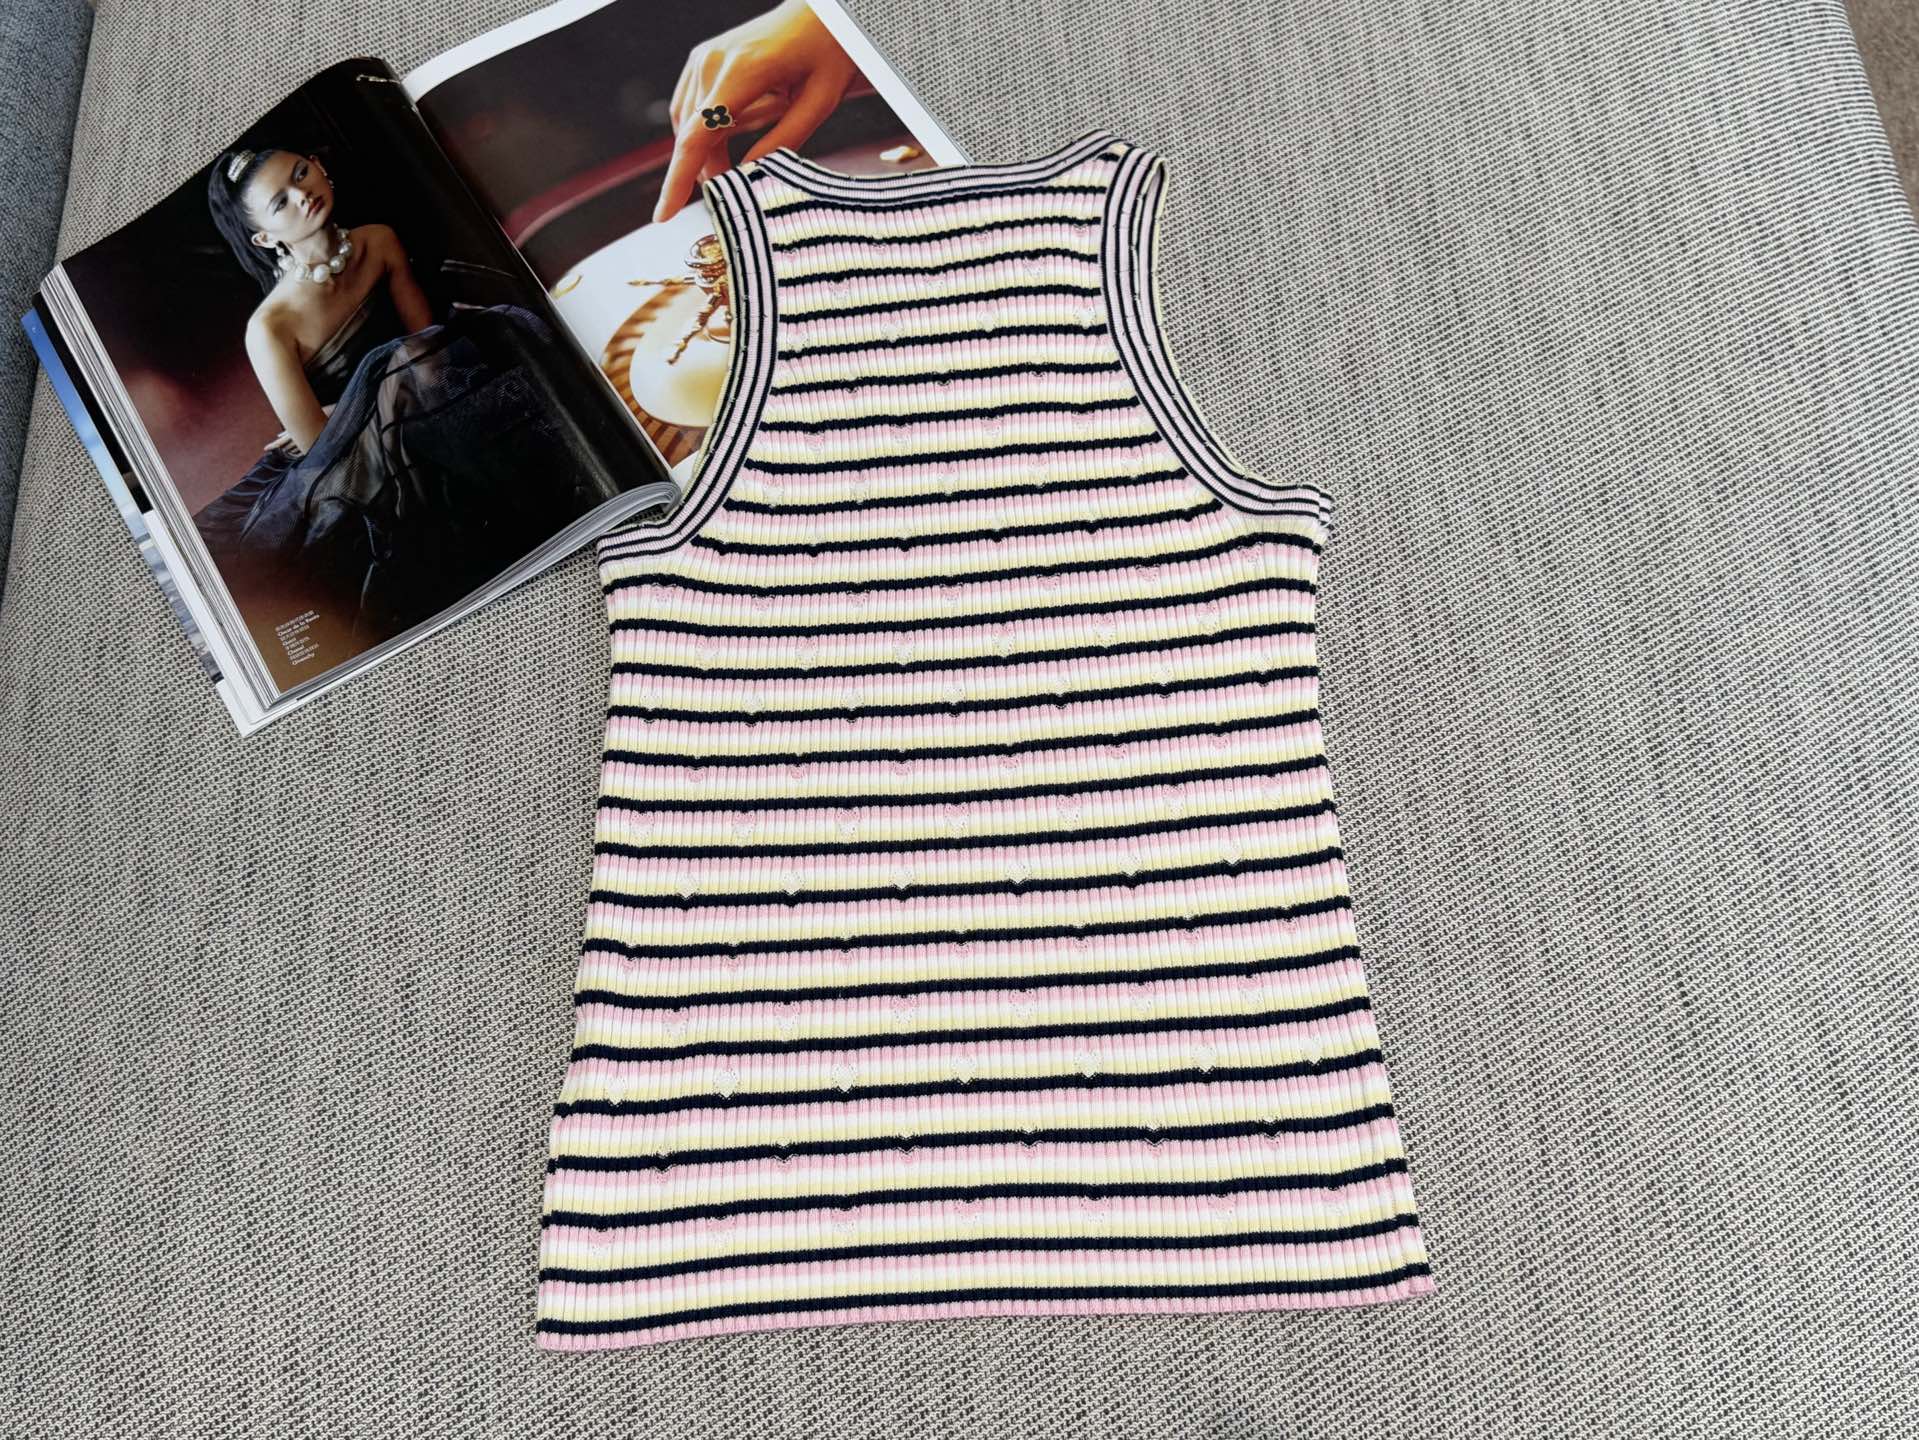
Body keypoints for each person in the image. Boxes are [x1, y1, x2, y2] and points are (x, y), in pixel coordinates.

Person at [195, 143, 592, 648]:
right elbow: (321, 449)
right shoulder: (270, 327)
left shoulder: (377, 241)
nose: (301, 194)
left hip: (428, 396)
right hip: (353, 462)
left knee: (478, 358)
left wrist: (365, 396)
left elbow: (431, 353)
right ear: (264, 237)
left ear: (320, 166)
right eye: (280, 202)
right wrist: (372, 397)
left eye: (300, 173)